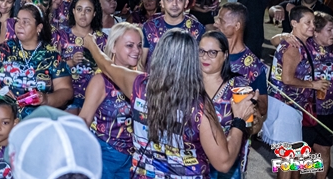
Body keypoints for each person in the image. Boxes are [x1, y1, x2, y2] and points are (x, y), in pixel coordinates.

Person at [84, 28, 256, 179]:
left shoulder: (138, 85)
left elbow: (106, 65)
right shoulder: (199, 104)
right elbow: (223, 163)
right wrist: (239, 120)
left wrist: (91, 43)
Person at [0, 4, 73, 118]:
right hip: (2, 117)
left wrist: (46, 99)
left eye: (26, 22)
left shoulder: (52, 56)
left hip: (37, 119)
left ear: (39, 27)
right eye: (18, 21)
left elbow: (66, 91)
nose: (19, 25)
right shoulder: (5, 49)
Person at [80, 23, 143, 179]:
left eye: (139, 46)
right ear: (113, 47)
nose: (136, 50)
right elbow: (84, 120)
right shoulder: (100, 81)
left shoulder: (139, 80)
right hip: (104, 155)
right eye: (130, 45)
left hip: (133, 158)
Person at [263, 6, 328, 149]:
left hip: (290, 105)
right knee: (288, 156)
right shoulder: (293, 47)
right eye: (308, 22)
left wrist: (284, 35)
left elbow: (275, 40)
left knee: (292, 155)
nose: (312, 26)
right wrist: (313, 85)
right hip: (285, 106)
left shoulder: (300, 42)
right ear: (294, 23)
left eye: (313, 22)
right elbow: (287, 79)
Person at [198, 31, 252, 179]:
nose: (205, 57)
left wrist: (252, 116)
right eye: (201, 51)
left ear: (225, 55)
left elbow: (252, 126)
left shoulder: (237, 86)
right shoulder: (188, 83)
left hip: (225, 163)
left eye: (212, 52)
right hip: (192, 162)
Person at [52, 0, 108, 113]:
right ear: (73, 11)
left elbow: (110, 68)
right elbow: (51, 68)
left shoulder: (103, 39)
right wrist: (70, 62)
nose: (83, 14)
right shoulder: (60, 36)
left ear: (94, 13)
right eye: (79, 9)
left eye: (88, 10)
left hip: (95, 95)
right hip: (66, 94)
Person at [214, 3, 269, 117]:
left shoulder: (253, 66)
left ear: (237, 26)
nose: (216, 24)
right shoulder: (209, 53)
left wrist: (250, 96)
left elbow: (263, 109)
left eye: (221, 21)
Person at [142, 0, 205, 66]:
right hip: (154, 78)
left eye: (179, 0)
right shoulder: (149, 27)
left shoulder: (197, 29)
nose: (174, 4)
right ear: (162, 3)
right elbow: (141, 63)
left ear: (186, 3)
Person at [301, 12, 333, 179]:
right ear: (317, 31)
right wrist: (285, 36)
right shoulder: (304, 46)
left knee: (324, 149)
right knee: (299, 152)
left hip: (328, 110)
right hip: (305, 109)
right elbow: (276, 40)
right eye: (330, 30)